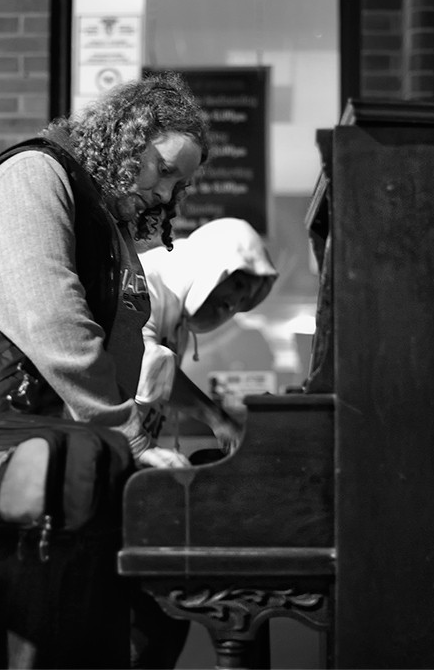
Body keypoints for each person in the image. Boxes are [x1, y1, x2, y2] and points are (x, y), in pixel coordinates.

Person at [0, 73, 209, 668]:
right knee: (39, 642)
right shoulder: (32, 176)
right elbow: (49, 319)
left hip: (58, 455)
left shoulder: (99, 214)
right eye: (163, 168)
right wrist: (125, 431)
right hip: (14, 456)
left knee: (94, 629)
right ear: (126, 136)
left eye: (180, 183)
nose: (165, 193)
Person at [128, 218, 278, 670]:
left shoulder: (173, 295)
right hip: (100, 469)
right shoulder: (149, 286)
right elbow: (141, 366)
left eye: (236, 307)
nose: (225, 312)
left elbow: (164, 374)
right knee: (143, 627)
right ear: (208, 271)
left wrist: (215, 416)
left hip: (128, 477)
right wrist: (214, 417)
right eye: (226, 296)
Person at [136, 217, 278, 453]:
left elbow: (162, 391)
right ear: (214, 262)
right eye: (239, 285)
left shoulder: (179, 319)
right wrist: (217, 418)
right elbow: (141, 361)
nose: (233, 304)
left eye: (243, 300)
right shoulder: (148, 279)